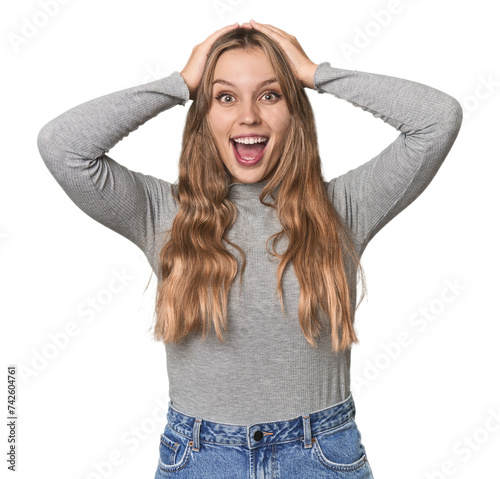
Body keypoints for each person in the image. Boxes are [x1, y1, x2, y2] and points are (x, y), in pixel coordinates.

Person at [37, 20, 462, 478]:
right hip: (200, 457)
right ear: (204, 116)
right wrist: (179, 84)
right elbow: (63, 147)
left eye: (270, 94)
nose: (248, 116)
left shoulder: (343, 207)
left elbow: (437, 118)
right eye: (225, 97)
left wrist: (313, 72)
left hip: (320, 456)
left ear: (294, 111)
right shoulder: (163, 212)